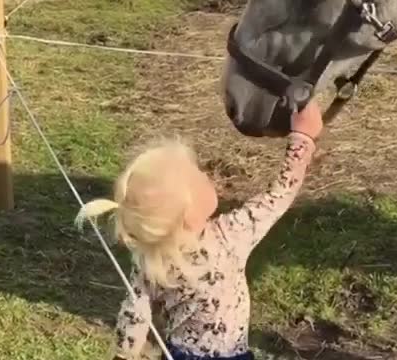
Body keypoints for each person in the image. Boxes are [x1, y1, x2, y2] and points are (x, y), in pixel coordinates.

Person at [75, 100, 324, 360]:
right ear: (189, 214)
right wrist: (302, 138)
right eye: (199, 177)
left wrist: (124, 355)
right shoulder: (229, 237)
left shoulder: (151, 258)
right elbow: (277, 196)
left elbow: (135, 313)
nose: (208, 177)